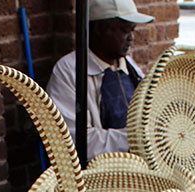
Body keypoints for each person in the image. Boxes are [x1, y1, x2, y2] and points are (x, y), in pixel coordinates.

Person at [47, 0, 154, 161]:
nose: (131, 37)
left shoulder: (129, 66)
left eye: (133, 30)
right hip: (99, 176)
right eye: (124, 30)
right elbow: (75, 142)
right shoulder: (69, 71)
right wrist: (138, 138)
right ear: (99, 29)